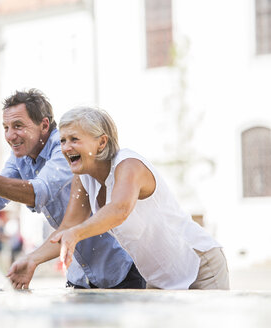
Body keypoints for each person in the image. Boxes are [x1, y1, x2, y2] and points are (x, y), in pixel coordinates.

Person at [0, 89, 144, 290]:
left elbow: (38, 192)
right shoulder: (19, 158)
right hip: (80, 275)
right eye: (6, 128)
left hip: (121, 269)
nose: (10, 135)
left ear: (45, 125)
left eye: (18, 126)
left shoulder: (66, 150)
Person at [51, 107, 229, 289]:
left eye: (74, 139)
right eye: (63, 141)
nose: (66, 147)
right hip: (160, 279)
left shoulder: (129, 165)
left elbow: (119, 209)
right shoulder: (83, 177)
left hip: (199, 265)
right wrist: (31, 261)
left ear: (102, 142)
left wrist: (75, 234)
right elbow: (68, 227)